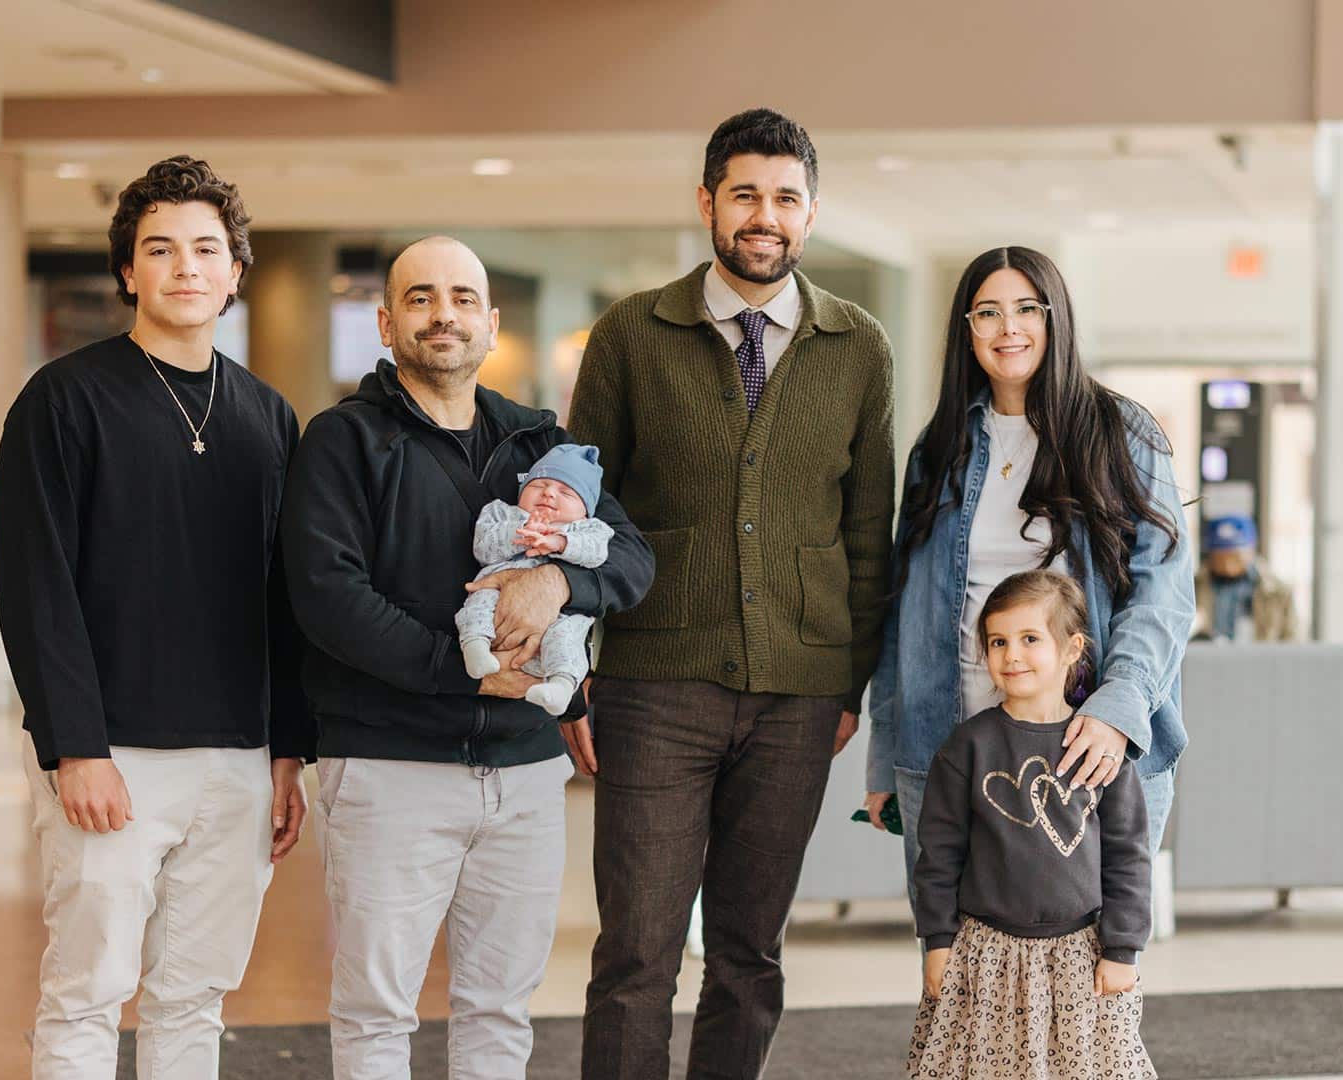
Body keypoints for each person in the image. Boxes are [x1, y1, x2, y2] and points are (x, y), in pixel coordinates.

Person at [566, 106, 896, 1079]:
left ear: (811, 212)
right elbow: (584, 509)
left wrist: (850, 687)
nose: (766, 215)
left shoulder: (858, 346)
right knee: (636, 955)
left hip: (799, 698)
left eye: (786, 198)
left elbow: (866, 536)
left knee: (749, 956)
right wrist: (570, 674)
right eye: (745, 193)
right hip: (653, 690)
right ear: (708, 202)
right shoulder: (633, 333)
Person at [281, 236, 652, 1079]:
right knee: (378, 1009)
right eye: (419, 298)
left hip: (522, 775)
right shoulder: (342, 441)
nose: (441, 314)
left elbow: (630, 557)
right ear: (386, 323)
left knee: (499, 1008)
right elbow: (329, 601)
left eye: (460, 299)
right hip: (388, 766)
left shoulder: (540, 444)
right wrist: (468, 670)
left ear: (489, 324)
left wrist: (558, 583)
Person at [0, 155, 313, 1080]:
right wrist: (74, 746)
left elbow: (283, 599)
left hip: (238, 759)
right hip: (113, 756)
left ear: (235, 270)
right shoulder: (63, 400)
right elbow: (34, 582)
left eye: (206, 248)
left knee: (195, 996)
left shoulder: (268, 416)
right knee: (88, 990)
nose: (185, 267)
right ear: (128, 271)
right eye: (160, 249)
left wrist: (287, 749)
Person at [864, 246, 1194, 897]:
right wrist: (885, 753)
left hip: (1085, 746)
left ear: (1055, 319)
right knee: (957, 971)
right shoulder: (940, 451)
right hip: (949, 749)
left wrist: (1118, 706)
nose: (1007, 327)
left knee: (1089, 974)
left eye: (1026, 309)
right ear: (967, 329)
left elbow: (1163, 591)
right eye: (987, 312)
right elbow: (903, 611)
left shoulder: (1121, 433)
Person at [909, 570, 1155, 1080]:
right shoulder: (967, 748)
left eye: (1029, 639)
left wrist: (1122, 949)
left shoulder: (1100, 748)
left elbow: (1128, 855)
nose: (1011, 655)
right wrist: (937, 942)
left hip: (1081, 957)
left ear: (1071, 649)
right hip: (986, 957)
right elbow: (938, 856)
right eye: (998, 641)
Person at [456, 443, 613, 715]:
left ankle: (561, 686)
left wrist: (559, 542)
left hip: (557, 620)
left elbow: (597, 553)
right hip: (497, 603)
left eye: (566, 492)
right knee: (480, 598)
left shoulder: (587, 529)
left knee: (568, 634)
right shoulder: (501, 513)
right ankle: (475, 647)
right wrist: (520, 531)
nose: (549, 494)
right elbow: (483, 547)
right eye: (539, 485)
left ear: (585, 510)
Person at [1193, 514, 1296, 642]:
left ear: (1251, 551)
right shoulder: (1192, 588)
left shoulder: (1277, 592)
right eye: (1220, 558)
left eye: (1235, 557)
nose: (1227, 566)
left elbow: (1291, 640)